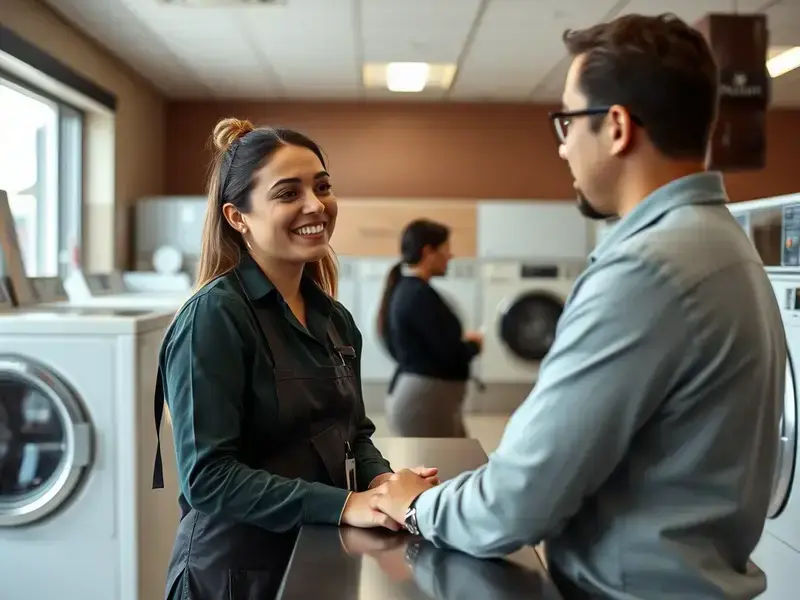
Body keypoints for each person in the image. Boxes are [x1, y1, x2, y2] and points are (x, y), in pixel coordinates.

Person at [368, 13, 785, 600]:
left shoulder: (646, 268)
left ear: (616, 126)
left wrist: (417, 505)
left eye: (566, 122)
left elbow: (516, 501)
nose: (563, 147)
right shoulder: (724, 245)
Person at [151, 118, 439, 600]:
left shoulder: (335, 319)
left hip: (319, 555)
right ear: (237, 217)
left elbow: (354, 435)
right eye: (288, 193)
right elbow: (208, 478)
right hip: (232, 575)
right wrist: (346, 504)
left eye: (322, 186)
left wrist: (387, 485)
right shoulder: (215, 316)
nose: (316, 205)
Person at [376, 219, 483, 437]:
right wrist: (473, 345)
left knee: (458, 456)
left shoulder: (409, 290)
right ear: (428, 252)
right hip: (424, 402)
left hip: (428, 400)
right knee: (451, 458)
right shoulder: (418, 295)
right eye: (446, 249)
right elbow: (449, 353)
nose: (450, 256)